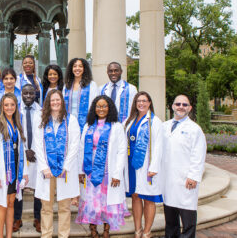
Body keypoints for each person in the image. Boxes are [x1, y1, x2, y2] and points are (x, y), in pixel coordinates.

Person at [76, 95, 129, 238]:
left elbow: (121, 151)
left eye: (104, 106)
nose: (101, 109)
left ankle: (106, 231)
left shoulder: (116, 127)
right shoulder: (88, 126)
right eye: (98, 106)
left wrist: (117, 174)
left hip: (108, 172)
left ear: (109, 108)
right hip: (90, 170)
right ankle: (93, 230)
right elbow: (81, 148)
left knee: (107, 202)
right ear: (94, 108)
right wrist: (81, 170)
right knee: (91, 200)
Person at [33, 89, 81, 238]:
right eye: (52, 100)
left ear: (62, 102)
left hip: (65, 171)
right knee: (46, 207)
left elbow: (74, 145)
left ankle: (63, 235)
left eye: (58, 100)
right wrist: (44, 167)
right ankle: (46, 235)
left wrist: (66, 166)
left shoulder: (70, 120)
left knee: (64, 207)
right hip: (46, 171)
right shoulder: (41, 120)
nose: (55, 103)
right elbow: (38, 145)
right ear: (48, 102)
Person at [161, 95, 206, 238]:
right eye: (178, 104)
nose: (181, 107)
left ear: (190, 108)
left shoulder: (195, 129)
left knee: (187, 218)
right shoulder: (164, 126)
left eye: (185, 105)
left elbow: (198, 155)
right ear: (173, 106)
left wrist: (193, 176)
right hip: (168, 180)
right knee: (170, 218)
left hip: (185, 180)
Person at [0, 93, 29, 238]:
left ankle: (9, 235)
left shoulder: (17, 124)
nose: (9, 107)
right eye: (6, 105)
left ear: (16, 106)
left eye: (12, 105)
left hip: (15, 170)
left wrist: (24, 172)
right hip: (3, 171)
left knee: (11, 203)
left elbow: (21, 149)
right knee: (2, 204)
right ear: (2, 107)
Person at [124, 92, 164, 238]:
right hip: (131, 166)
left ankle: (147, 231)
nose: (141, 103)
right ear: (135, 103)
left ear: (149, 103)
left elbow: (158, 146)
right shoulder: (130, 120)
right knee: (135, 196)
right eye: (138, 101)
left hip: (146, 166)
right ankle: (137, 229)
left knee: (148, 198)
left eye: (144, 101)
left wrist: (153, 167)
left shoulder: (155, 121)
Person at [13, 84, 42, 233]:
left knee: (39, 190)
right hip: (22, 156)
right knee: (20, 188)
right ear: (21, 95)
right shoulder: (16, 111)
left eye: (31, 93)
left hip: (37, 157)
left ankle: (38, 219)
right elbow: (15, 135)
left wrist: (35, 151)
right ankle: (17, 218)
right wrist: (25, 151)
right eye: (25, 93)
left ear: (35, 94)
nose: (28, 96)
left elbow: (42, 134)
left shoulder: (42, 111)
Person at [63, 58, 99, 133]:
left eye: (80, 66)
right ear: (71, 69)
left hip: (86, 123)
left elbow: (95, 105)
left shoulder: (91, 85)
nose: (77, 68)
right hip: (69, 123)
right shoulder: (67, 86)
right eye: (75, 66)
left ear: (84, 68)